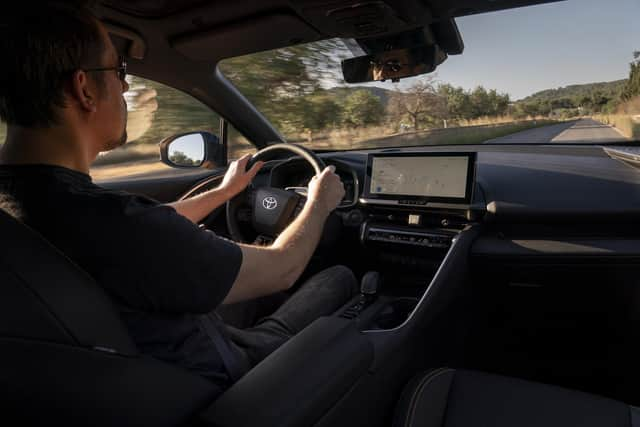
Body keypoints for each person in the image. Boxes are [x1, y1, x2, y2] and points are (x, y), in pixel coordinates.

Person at [0, 1, 357, 396]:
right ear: (83, 88)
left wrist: (223, 193)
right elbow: (283, 269)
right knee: (341, 278)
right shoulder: (110, 223)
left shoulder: (35, 204)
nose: (126, 86)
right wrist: (321, 202)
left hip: (133, 374)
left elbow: (141, 231)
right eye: (119, 71)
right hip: (225, 381)